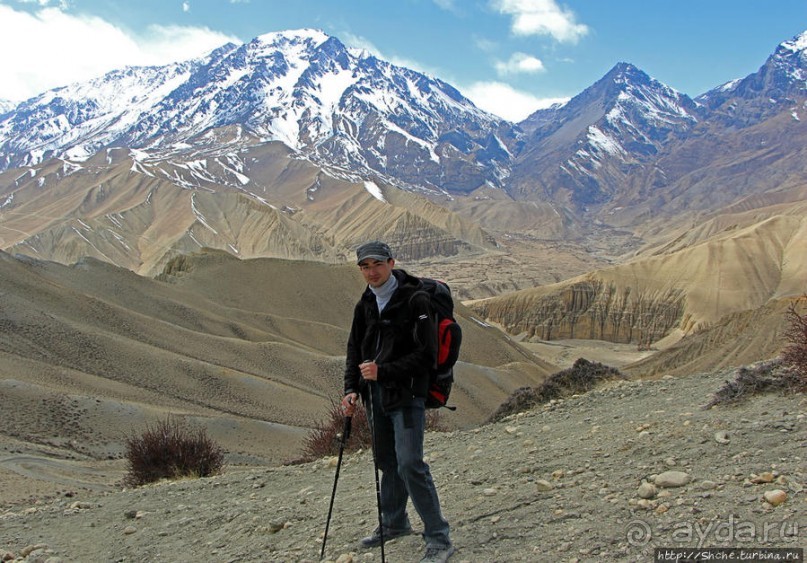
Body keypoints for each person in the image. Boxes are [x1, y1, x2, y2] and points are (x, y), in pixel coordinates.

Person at [341, 240, 455, 563]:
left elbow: (427, 356)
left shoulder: (415, 300)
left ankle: (438, 537)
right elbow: (354, 351)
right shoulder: (364, 303)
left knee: (409, 463)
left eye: (377, 264)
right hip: (374, 396)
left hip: (407, 395)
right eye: (365, 266)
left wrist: (383, 371)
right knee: (387, 462)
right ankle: (394, 523)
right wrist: (351, 389)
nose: (371, 272)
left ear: (392, 263)